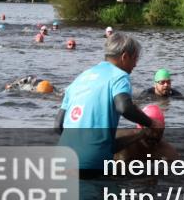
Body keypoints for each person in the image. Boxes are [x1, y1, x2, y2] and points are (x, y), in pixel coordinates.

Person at [55, 32, 158, 176]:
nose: (135, 65)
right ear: (124, 57)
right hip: (92, 165)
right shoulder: (119, 76)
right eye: (135, 59)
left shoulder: (80, 78)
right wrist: (151, 123)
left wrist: (139, 134)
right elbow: (124, 107)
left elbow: (58, 126)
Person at [114, 104, 178, 164]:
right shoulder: (122, 143)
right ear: (140, 128)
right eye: (148, 129)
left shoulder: (168, 152)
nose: (154, 135)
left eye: (158, 131)